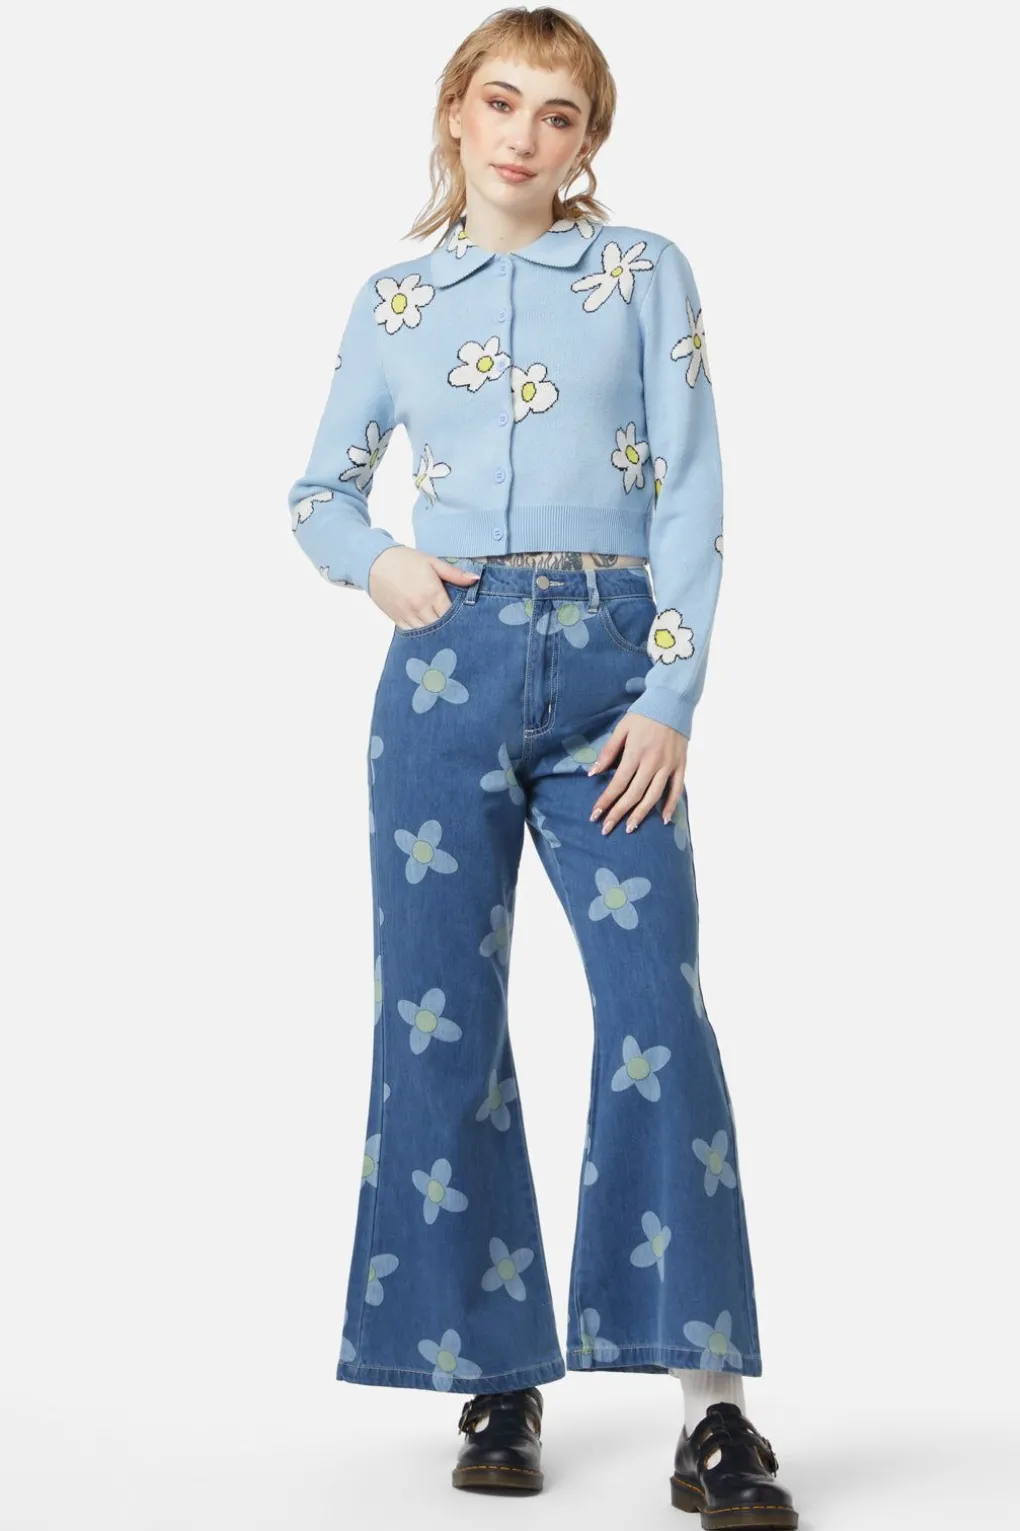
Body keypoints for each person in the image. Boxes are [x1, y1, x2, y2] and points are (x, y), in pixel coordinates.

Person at [286, 7, 799, 1525]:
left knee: (657, 1012)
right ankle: (489, 1370)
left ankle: (712, 1409)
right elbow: (317, 492)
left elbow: (694, 486)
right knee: (437, 1022)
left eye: (559, 114)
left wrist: (674, 693)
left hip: (613, 677)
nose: (525, 135)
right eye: (502, 102)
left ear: (588, 140)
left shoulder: (642, 274)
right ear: (456, 110)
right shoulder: (395, 300)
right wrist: (379, 562)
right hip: (441, 673)